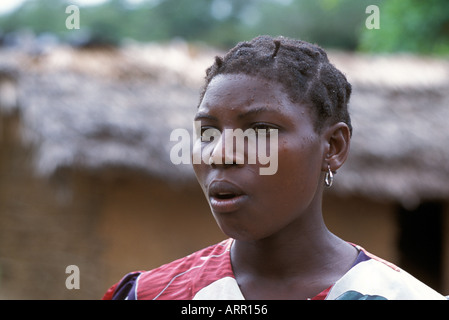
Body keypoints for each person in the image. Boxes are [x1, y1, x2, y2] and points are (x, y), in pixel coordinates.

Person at [103, 35, 446, 300]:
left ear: (334, 147)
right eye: (207, 131)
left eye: (260, 130)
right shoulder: (150, 293)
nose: (221, 154)